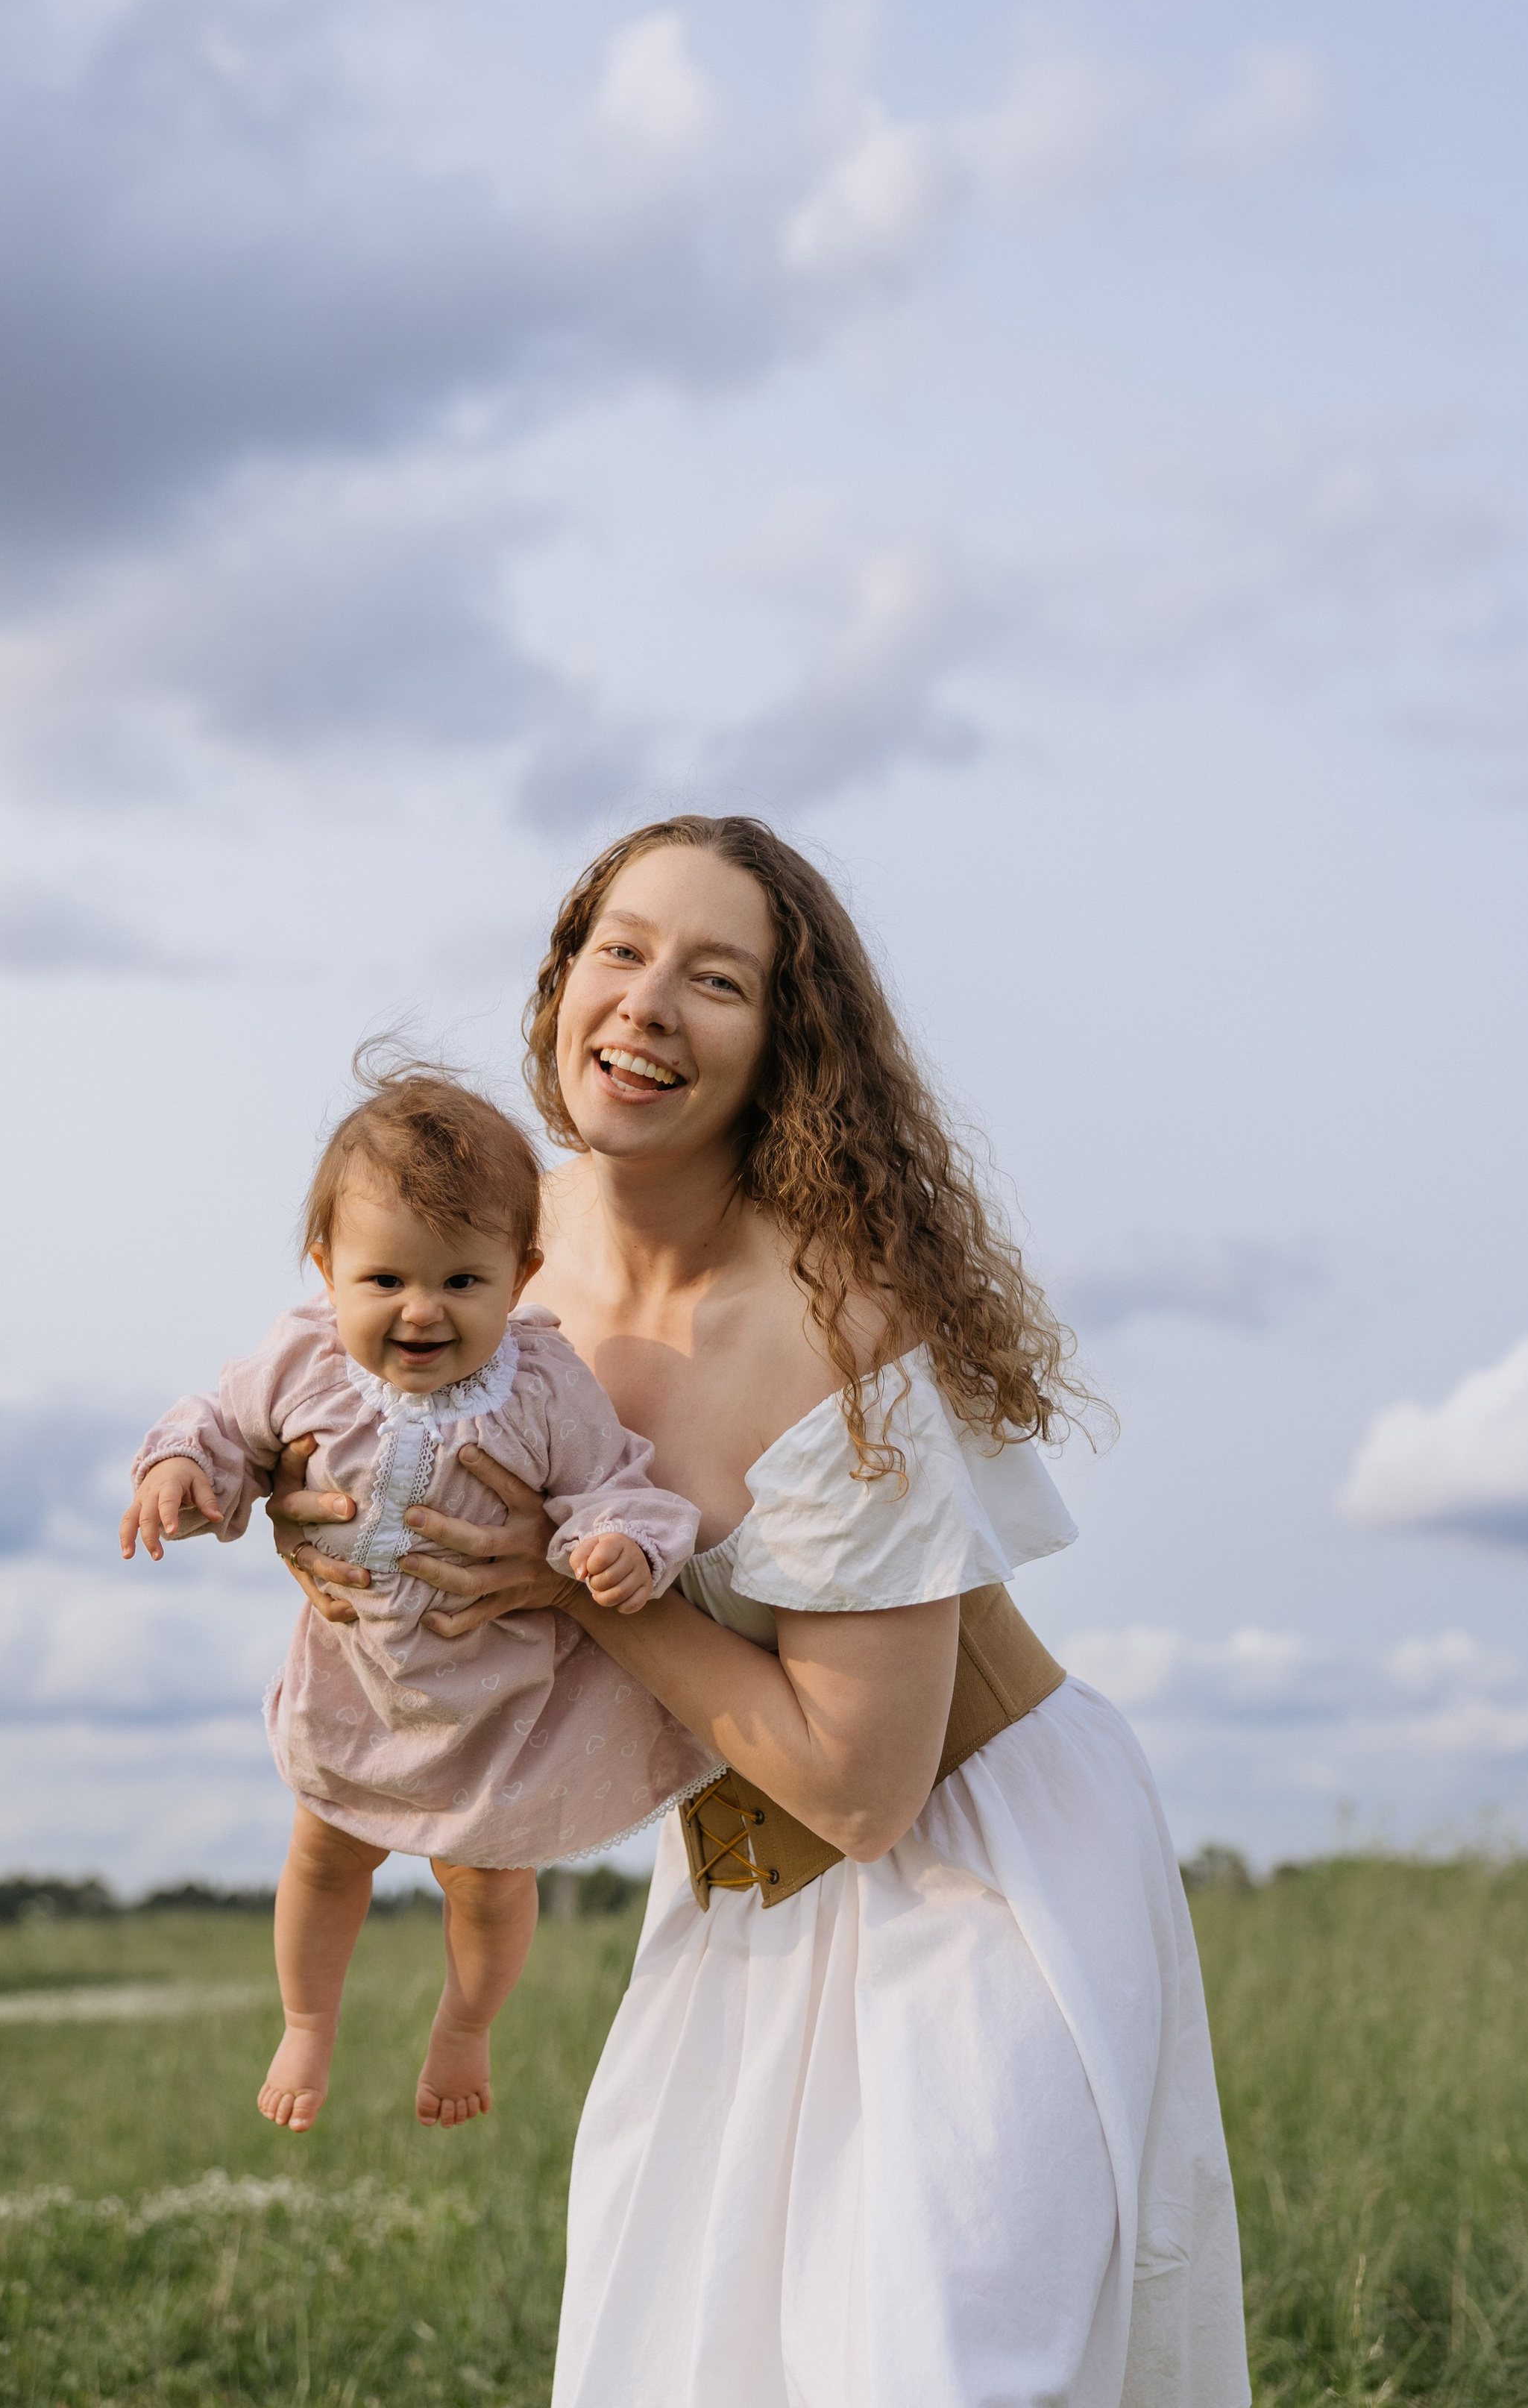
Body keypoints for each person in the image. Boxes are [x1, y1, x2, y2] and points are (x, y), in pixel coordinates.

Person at [274, 817, 1250, 2406]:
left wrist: (553, 1583)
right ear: (562, 984)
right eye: (621, 950)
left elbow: (860, 1791)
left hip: (972, 1867)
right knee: (688, 2363)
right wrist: (310, 1524)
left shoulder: (831, 1318)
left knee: (945, 2364)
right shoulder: (498, 1250)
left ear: (781, 1044)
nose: (649, 1002)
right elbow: (343, 1413)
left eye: (714, 978)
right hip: (731, 1883)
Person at [122, 1062, 712, 2132]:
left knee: (488, 1883)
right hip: (357, 1683)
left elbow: (613, 1485)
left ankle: (469, 2023)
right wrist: (184, 1476)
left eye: (461, 1283)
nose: (421, 1312)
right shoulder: (300, 1359)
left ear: (521, 1274)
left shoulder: (545, 1388)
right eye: (386, 1280)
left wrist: (619, 1542)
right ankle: (308, 2018)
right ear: (328, 1268)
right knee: (324, 1851)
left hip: (493, 1705)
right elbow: (224, 1428)